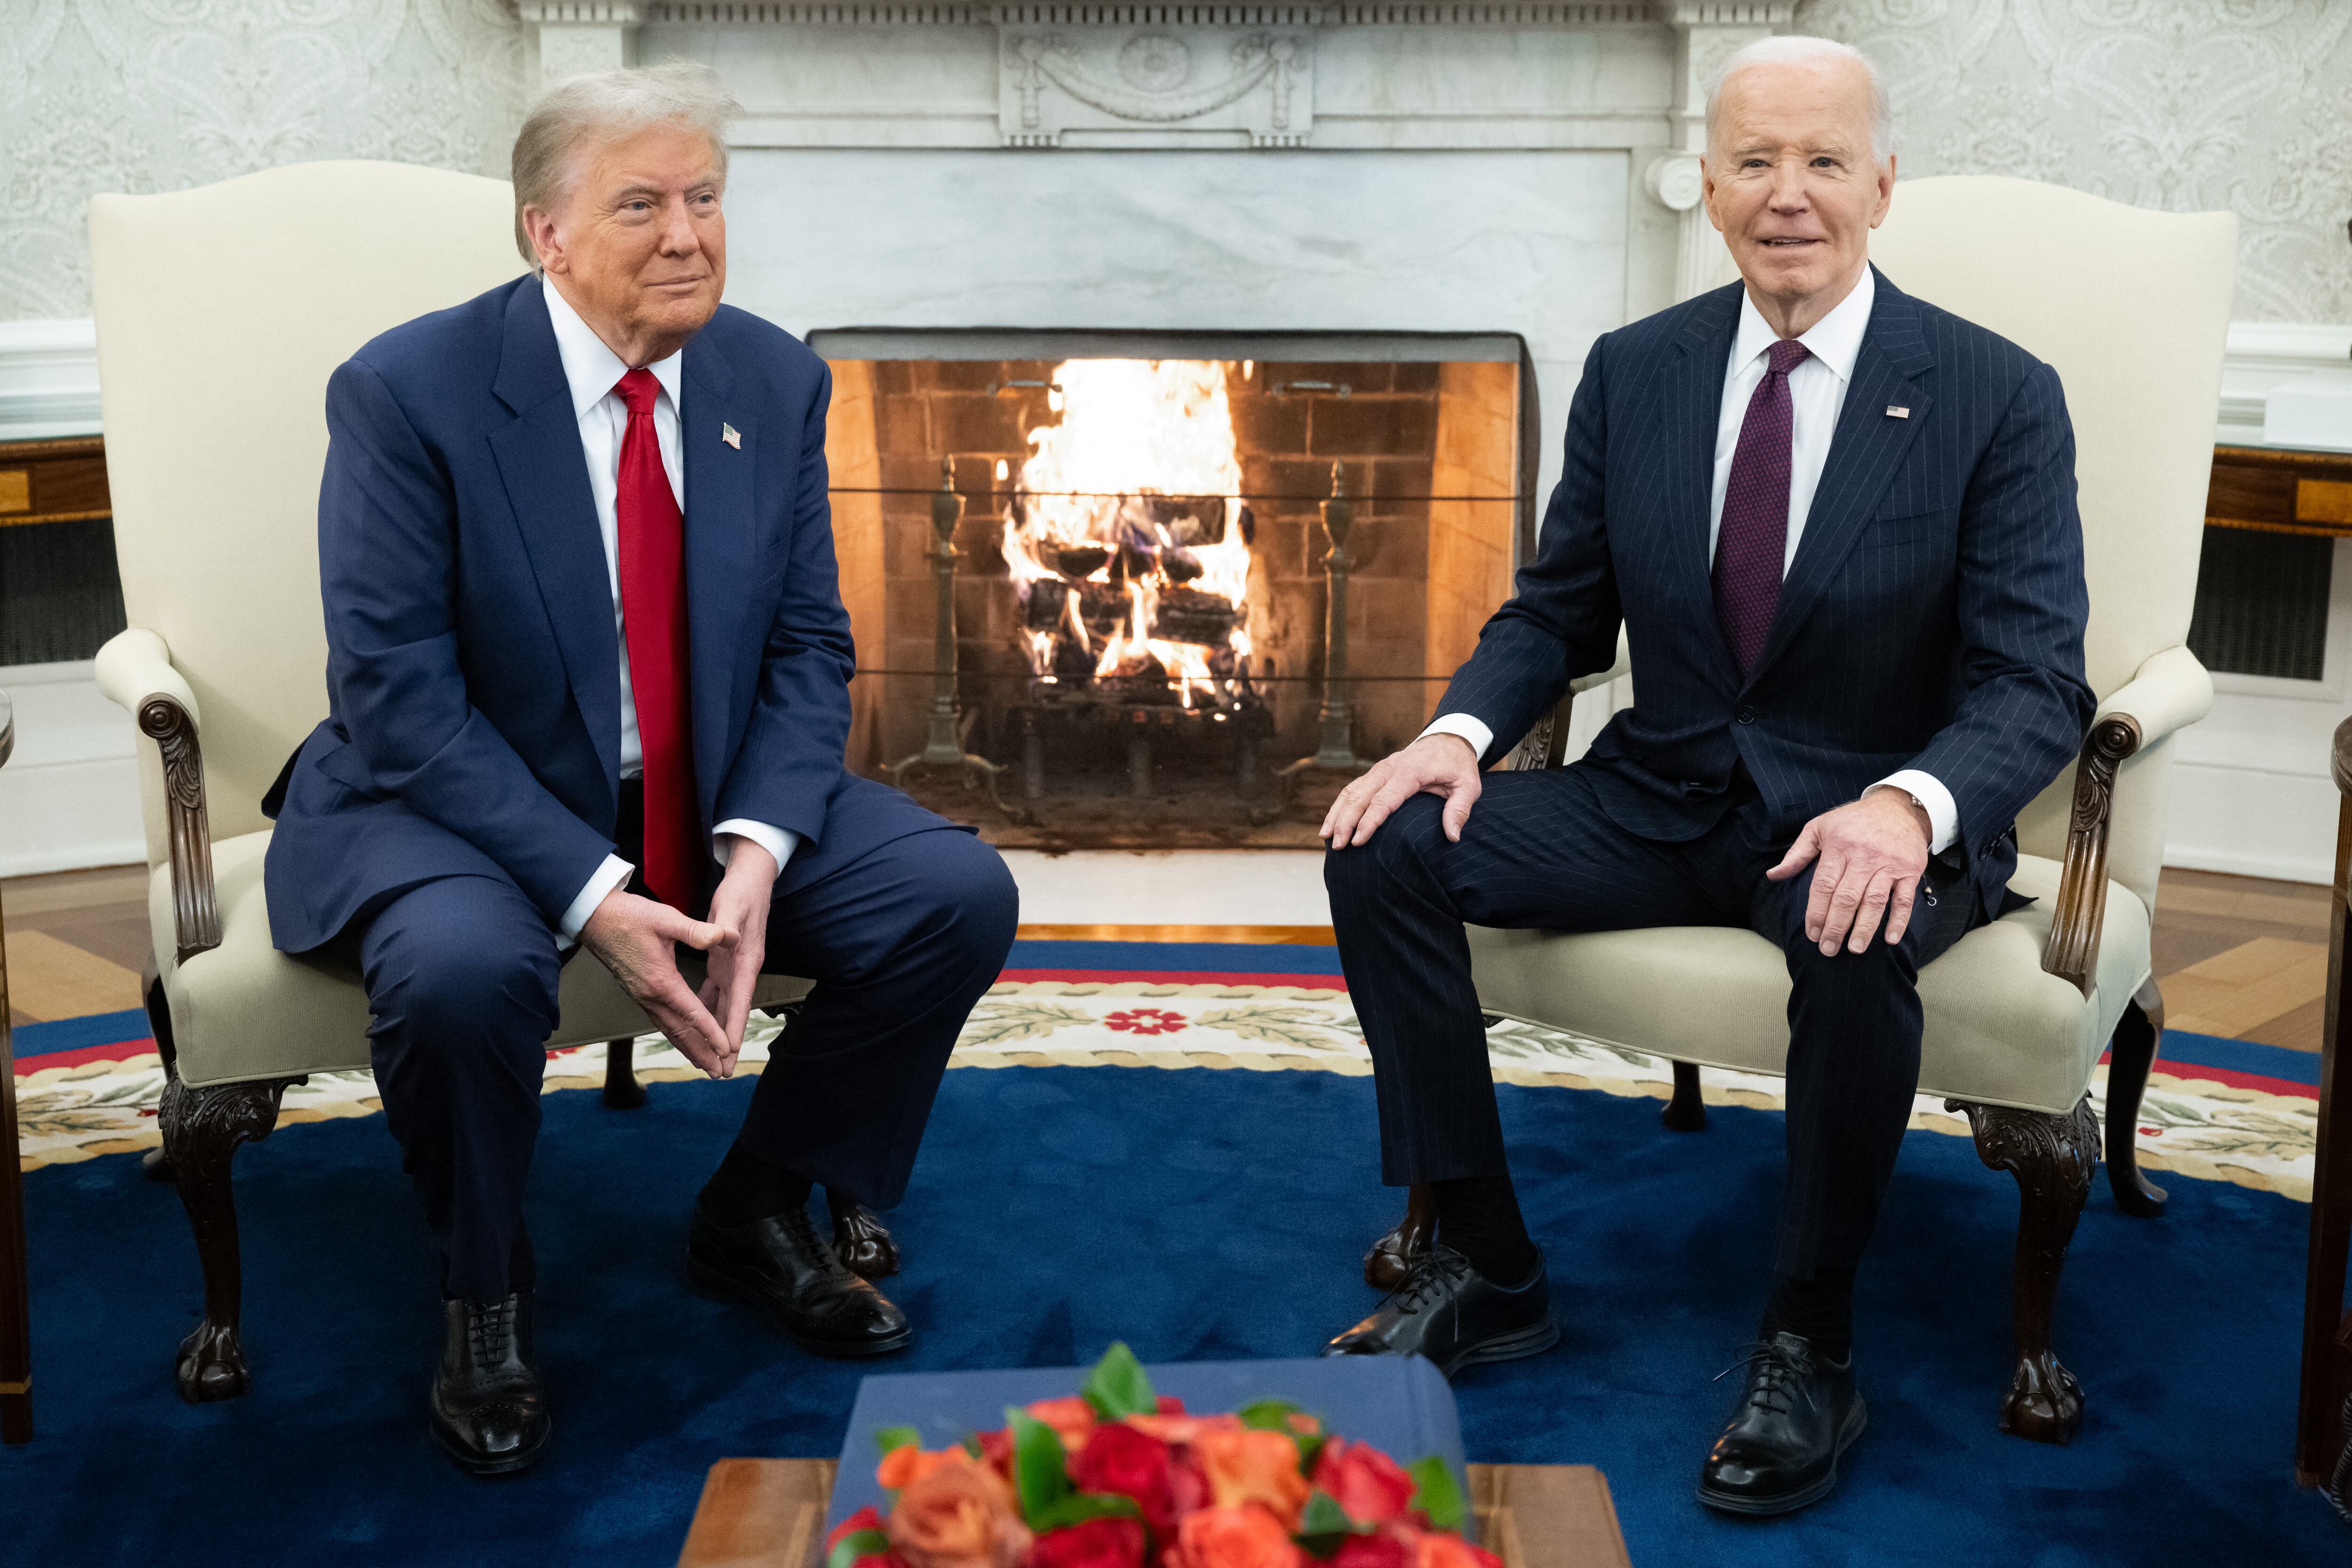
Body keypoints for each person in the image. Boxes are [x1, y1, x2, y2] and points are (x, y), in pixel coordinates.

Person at [1315, 35, 2092, 1516]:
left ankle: (1811, 1340)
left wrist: (1909, 810)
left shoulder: (1996, 394)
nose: (1785, 194)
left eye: (1820, 161)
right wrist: (1451, 740)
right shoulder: (1640, 370)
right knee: (1385, 848)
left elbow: (2033, 677)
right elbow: (1557, 613)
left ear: (1880, 184)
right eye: (1753, 160)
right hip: (1658, 794)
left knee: (1854, 939)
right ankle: (1486, 1260)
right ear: (1710, 184)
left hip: (1866, 809)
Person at [260, 64, 1018, 1475]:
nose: (689, 235)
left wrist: (755, 853)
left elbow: (806, 641)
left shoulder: (771, 377)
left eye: (706, 198)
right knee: (467, 974)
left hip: (698, 785)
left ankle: (759, 1205)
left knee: (953, 894)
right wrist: (592, 891)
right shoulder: (408, 392)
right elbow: (395, 696)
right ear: (545, 232)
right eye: (642, 205)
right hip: (457, 802)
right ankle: (483, 1294)